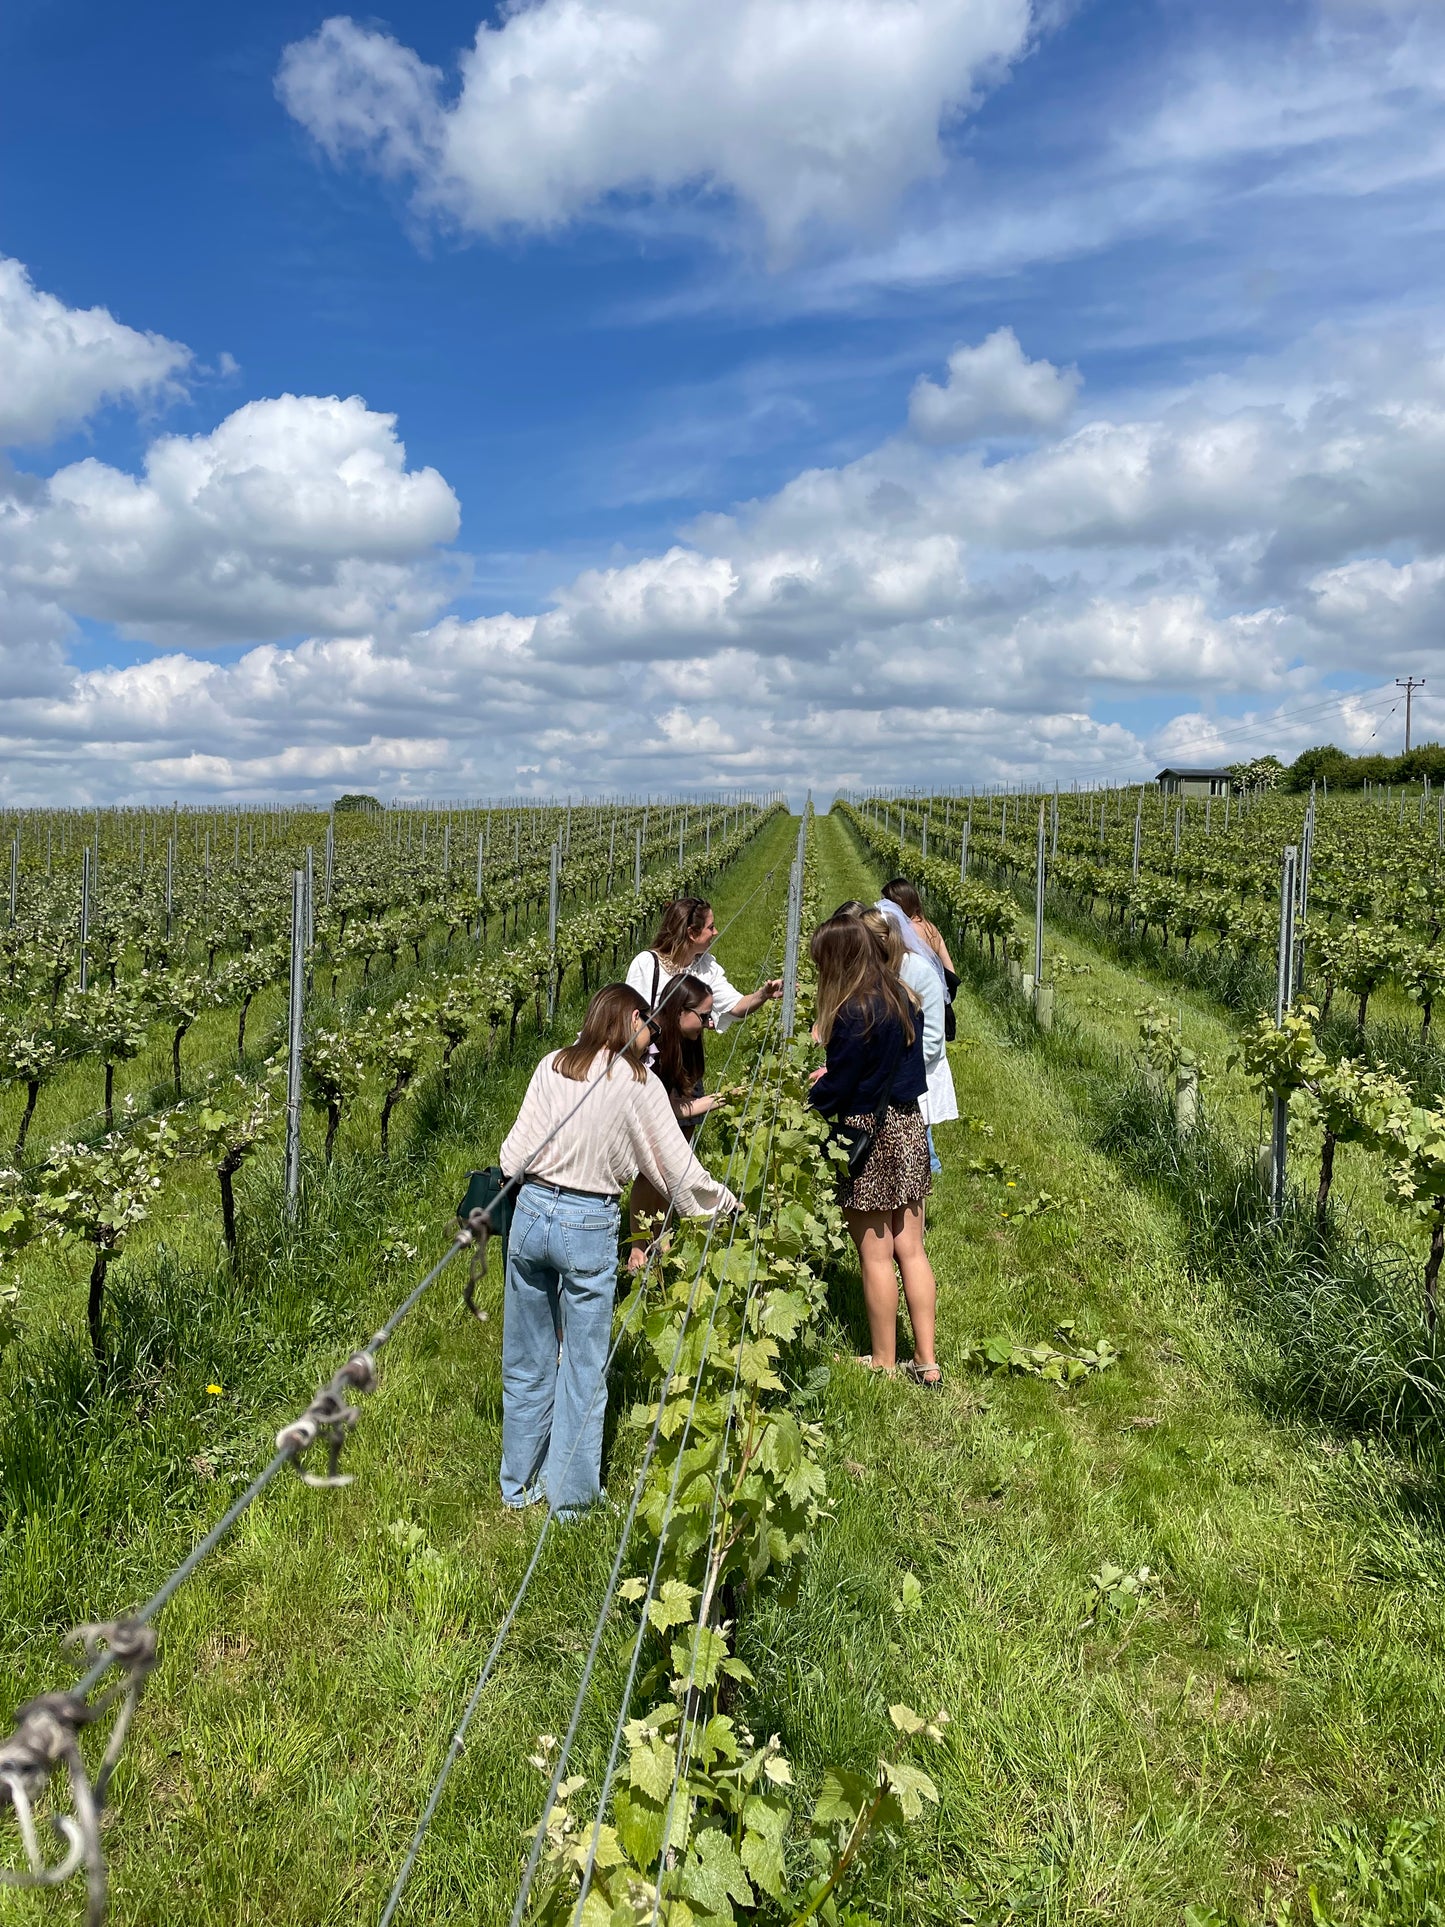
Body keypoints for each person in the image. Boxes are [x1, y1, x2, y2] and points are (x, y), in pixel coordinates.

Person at [497, 983, 740, 1516]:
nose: (653, 1038)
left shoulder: (551, 1064)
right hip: (589, 1222)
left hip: (532, 1212)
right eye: (651, 1027)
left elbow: (511, 1156)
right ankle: (571, 1500)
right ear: (633, 1017)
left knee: (526, 1357)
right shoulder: (637, 1082)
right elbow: (676, 1169)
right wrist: (725, 1207)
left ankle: (517, 1484)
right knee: (583, 1366)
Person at [807, 916, 941, 1385]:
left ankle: (884, 1359)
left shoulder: (852, 1010)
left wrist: (813, 1094)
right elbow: (907, 1074)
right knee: (913, 1250)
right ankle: (926, 1359)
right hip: (907, 1126)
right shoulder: (905, 996)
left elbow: (842, 1087)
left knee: (876, 1255)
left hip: (868, 1133)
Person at [627, 973, 721, 1267]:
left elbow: (688, 1088)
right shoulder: (652, 1043)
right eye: (704, 1016)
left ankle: (661, 1233)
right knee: (649, 1172)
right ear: (680, 1011)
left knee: (673, 1169)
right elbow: (656, 1107)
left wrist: (697, 1105)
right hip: (662, 1104)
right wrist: (709, 1103)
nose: (709, 1023)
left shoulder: (690, 1039)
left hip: (682, 1097)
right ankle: (638, 1245)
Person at [881, 879, 960, 1173]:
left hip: (920, 999)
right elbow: (948, 966)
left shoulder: (905, 932)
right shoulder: (930, 927)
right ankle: (930, 1163)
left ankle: (931, 1164)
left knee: (918, 1106)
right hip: (936, 998)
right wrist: (946, 995)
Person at [626, 897, 782, 1029]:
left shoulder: (705, 966)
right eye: (711, 927)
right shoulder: (647, 964)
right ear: (692, 933)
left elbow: (735, 1006)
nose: (715, 932)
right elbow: (631, 1020)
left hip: (688, 1057)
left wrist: (763, 994)